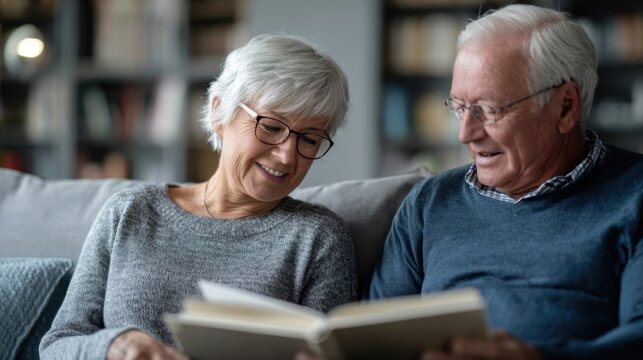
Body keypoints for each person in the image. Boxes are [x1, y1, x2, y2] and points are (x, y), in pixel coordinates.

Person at [40, 33, 357, 359]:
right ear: (220, 113)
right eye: (272, 127)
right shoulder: (131, 211)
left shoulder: (319, 239)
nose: (287, 156)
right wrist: (111, 348)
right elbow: (57, 345)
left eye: (309, 139)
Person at [367, 4, 643, 360]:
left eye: (489, 110)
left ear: (565, 107)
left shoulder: (635, 195)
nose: (465, 134)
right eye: (459, 107)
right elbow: (373, 333)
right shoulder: (428, 203)